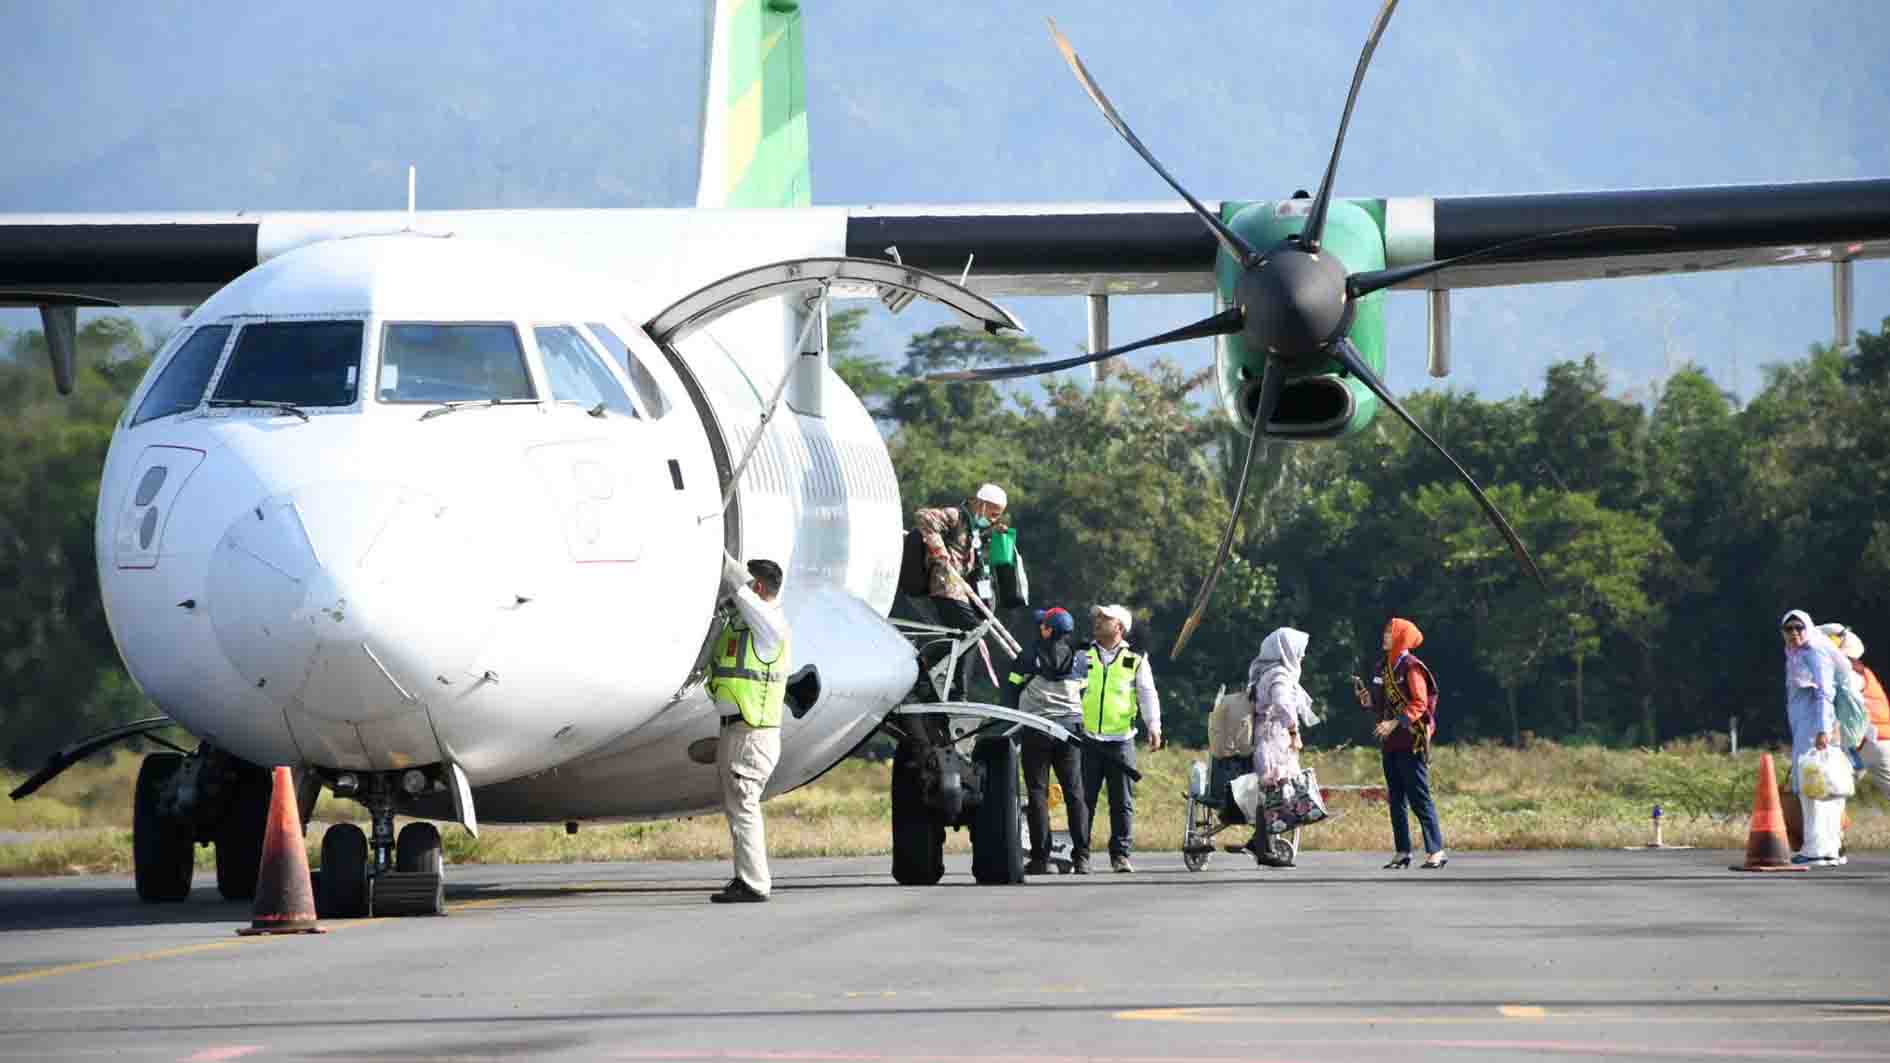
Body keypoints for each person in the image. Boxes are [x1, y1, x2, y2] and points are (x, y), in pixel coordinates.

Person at [708, 554, 790, 903]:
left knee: (744, 806)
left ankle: (755, 883)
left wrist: (724, 560)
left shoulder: (771, 627)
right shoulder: (744, 626)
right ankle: (746, 877)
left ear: (757, 587)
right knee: (737, 809)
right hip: (735, 730)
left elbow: (743, 597)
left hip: (753, 734)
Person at [1006, 606, 1092, 875]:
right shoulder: (1080, 658)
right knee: (1075, 794)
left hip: (1036, 730)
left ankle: (1041, 859)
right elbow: (1084, 690)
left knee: (1037, 794)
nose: (1039, 627)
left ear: (1049, 630)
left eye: (1043, 624)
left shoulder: (1029, 655)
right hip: (1070, 732)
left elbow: (1012, 687)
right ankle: (1083, 858)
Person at [1357, 617, 1446, 869]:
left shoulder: (1411, 667)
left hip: (1411, 740)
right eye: (1385, 632)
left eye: (1389, 633)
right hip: (1391, 743)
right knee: (1396, 798)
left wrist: (1394, 723)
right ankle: (1402, 851)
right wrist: (1367, 702)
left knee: (1419, 797)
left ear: (1400, 637)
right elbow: (1378, 703)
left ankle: (1436, 851)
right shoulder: (1382, 667)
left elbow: (1419, 703)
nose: (1384, 637)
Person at [1080, 603, 1162, 873]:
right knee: (1083, 800)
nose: (1098, 620)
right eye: (1098, 617)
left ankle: (1120, 856)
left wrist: (1154, 726)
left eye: (1105, 618)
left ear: (1120, 627)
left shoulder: (1135, 658)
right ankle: (1080, 856)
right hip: (1087, 738)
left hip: (1121, 740)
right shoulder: (1083, 652)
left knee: (1121, 802)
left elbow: (1147, 692)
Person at [913, 483, 1009, 700]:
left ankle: (955, 688)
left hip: (959, 590)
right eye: (993, 514)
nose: (993, 519)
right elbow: (924, 517)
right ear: (981, 504)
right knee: (971, 630)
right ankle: (926, 664)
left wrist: (991, 533)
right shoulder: (955, 516)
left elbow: (967, 547)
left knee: (966, 634)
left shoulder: (973, 527)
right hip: (945, 586)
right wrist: (939, 551)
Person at [1780, 610, 1846, 867]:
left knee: (1813, 789)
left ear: (1808, 629)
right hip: (1810, 729)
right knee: (1824, 788)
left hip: (1815, 731)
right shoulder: (1796, 655)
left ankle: (1816, 848)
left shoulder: (1813, 653)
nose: (1794, 633)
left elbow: (1824, 693)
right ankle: (1829, 848)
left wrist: (1822, 729)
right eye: (1788, 629)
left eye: (1799, 628)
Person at [1245, 627, 1314, 868]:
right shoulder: (1280, 675)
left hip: (1266, 737)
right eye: (1300, 651)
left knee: (1271, 791)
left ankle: (1261, 842)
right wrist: (1294, 732)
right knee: (1275, 789)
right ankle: (1264, 847)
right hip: (1274, 739)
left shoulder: (1263, 671)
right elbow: (1283, 703)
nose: (1302, 655)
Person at [1819, 622, 1889, 796]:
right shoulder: (1865, 672)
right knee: (1834, 790)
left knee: (1829, 789)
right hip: (1879, 741)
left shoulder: (1846, 675)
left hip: (1866, 743)